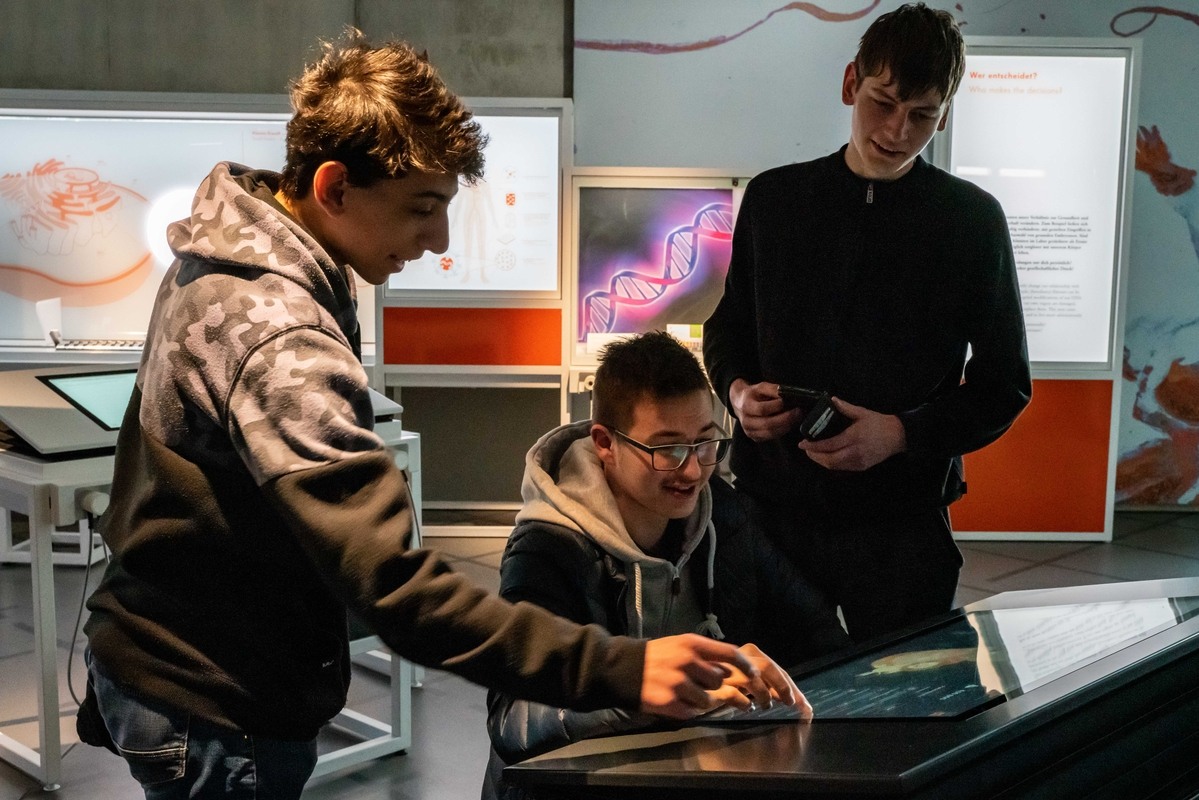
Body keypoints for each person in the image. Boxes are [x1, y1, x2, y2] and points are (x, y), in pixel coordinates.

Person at [78, 31, 769, 800]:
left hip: (169, 657)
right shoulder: (278, 333)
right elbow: (398, 590)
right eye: (422, 208)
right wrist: (624, 668)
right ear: (335, 186)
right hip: (214, 698)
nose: (438, 240)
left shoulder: (224, 257)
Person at [703, 3, 1032, 643]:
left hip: (902, 521)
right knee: (773, 691)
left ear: (945, 113)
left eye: (923, 116)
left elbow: (1005, 385)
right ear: (851, 82)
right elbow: (728, 327)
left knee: (908, 694)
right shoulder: (774, 200)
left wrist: (901, 434)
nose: (898, 131)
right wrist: (737, 392)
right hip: (777, 511)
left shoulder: (972, 222)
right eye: (884, 103)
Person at [483, 331, 850, 800]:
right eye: (667, 450)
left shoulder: (723, 513)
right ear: (605, 443)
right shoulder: (548, 548)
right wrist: (638, 684)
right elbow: (512, 719)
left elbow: (817, 630)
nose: (693, 471)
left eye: (705, 442)